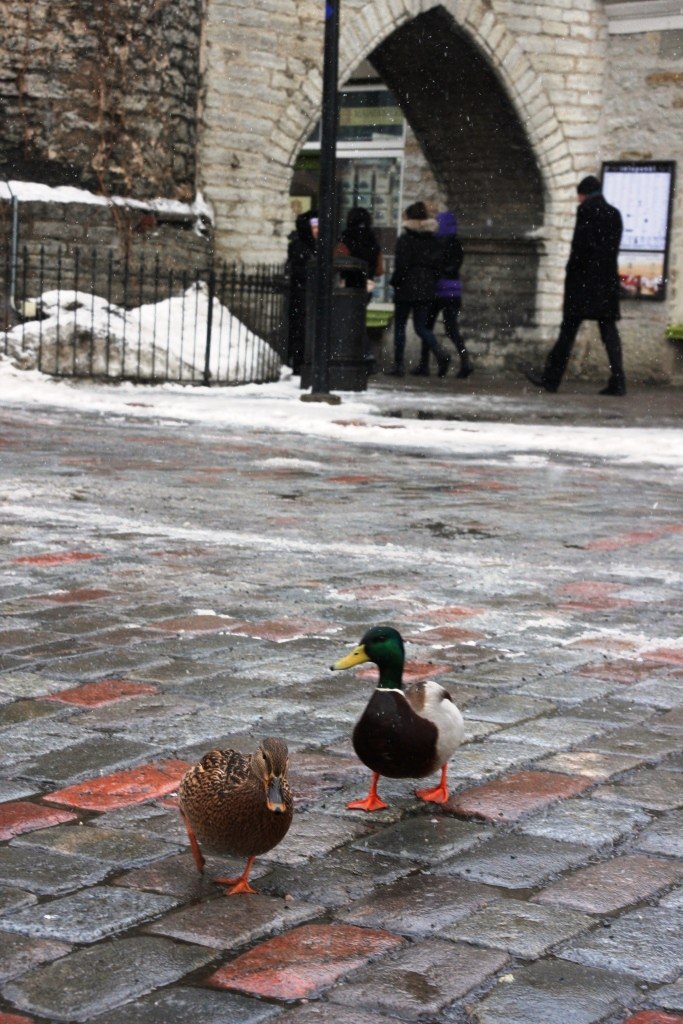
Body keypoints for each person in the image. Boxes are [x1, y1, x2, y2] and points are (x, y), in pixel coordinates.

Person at [526, 175, 626, 396]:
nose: (578, 200)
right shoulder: (615, 214)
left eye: (579, 196)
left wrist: (570, 275)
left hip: (583, 284)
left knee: (567, 332)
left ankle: (551, 379)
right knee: (609, 333)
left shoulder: (586, 211)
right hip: (606, 281)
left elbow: (580, 248)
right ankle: (619, 381)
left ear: (583, 194)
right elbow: (612, 249)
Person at [387, 201, 450, 378]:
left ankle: (399, 365)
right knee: (421, 327)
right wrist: (430, 280)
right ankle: (439, 352)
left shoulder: (406, 239)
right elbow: (439, 266)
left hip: (407, 286)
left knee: (400, 325)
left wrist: (395, 282)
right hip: (426, 287)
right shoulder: (433, 240)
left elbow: (402, 265)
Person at [412, 210, 472, 379]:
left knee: (427, 326)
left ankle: (425, 364)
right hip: (454, 291)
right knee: (452, 328)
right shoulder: (457, 244)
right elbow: (455, 266)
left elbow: (434, 264)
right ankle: (465, 360)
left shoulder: (437, 242)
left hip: (437, 290)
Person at [285, 210, 318, 374]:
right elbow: (297, 270)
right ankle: (299, 362)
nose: (317, 230)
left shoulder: (316, 245)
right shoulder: (300, 246)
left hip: (308, 294)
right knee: (300, 329)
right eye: (314, 226)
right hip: (301, 294)